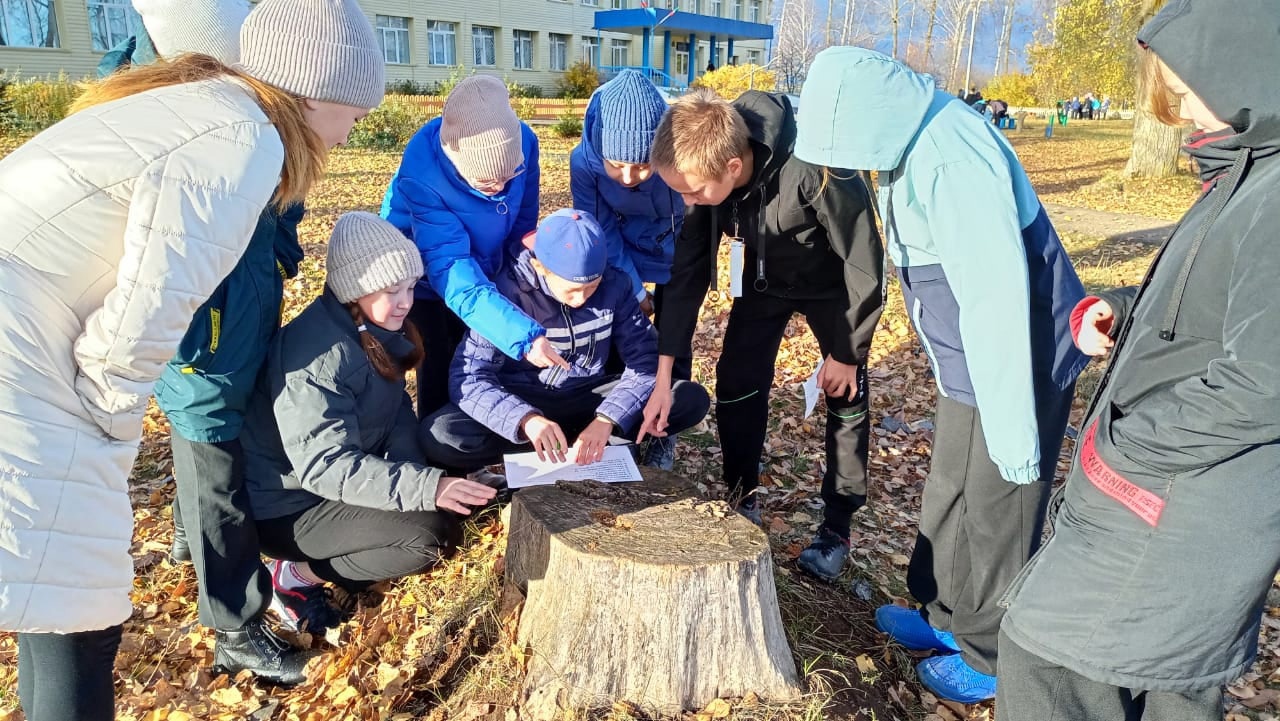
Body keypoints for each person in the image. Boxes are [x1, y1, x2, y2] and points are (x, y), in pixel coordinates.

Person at [0, 0, 386, 714]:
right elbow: (144, 315)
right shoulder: (243, 141)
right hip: (21, 354)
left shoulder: (212, 108)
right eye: (355, 114)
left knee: (56, 598)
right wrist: (105, 431)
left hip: (33, 334)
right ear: (314, 92)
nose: (351, 131)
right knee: (77, 610)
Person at [998, 3, 1280, 719]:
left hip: (1180, 496)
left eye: (1187, 91)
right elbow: (1216, 306)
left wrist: (1127, 446)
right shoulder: (1245, 173)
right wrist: (1123, 310)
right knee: (1165, 686)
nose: (1182, 114)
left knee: (1047, 660)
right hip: (1173, 494)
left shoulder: (1273, 194)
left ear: (1241, 65)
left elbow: (1263, 382)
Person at [794, 47, 1087, 703]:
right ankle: (943, 615)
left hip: (1015, 363)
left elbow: (995, 298)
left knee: (999, 507)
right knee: (951, 488)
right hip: (970, 369)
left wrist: (1015, 435)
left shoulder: (953, 158)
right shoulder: (907, 139)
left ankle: (987, 651)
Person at [101, 0, 317, 690]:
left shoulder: (243, 97)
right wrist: (199, 336)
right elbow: (154, 260)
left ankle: (204, 549)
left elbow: (283, 193)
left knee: (226, 465)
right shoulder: (154, 116)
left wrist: (281, 253)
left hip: (245, 312)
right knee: (215, 480)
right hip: (202, 343)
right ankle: (235, 628)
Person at [642, 88, 884, 581]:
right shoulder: (706, 174)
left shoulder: (817, 166)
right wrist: (663, 376)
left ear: (733, 167)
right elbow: (686, 276)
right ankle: (742, 494)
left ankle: (837, 527)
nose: (687, 202)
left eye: (693, 192)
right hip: (762, 283)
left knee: (846, 392)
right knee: (736, 381)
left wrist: (847, 351)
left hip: (833, 287)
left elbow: (865, 260)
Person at [240, 212, 495, 633]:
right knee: (429, 538)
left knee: (446, 511)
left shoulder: (374, 327)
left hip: (330, 490)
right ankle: (295, 576)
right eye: (392, 290)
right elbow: (324, 466)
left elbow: (396, 415)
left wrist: (421, 478)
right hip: (290, 507)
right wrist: (426, 488)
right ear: (353, 289)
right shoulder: (318, 359)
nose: (407, 302)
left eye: (411, 287)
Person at [422, 209, 711, 472]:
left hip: (590, 397)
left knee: (689, 398)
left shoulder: (616, 284)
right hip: (523, 397)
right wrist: (525, 420)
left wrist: (607, 419)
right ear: (540, 268)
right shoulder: (505, 294)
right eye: (572, 290)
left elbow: (644, 359)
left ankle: (597, 438)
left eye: (592, 287)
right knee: (441, 434)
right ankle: (552, 446)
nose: (582, 298)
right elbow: (469, 379)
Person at [381, 75, 544, 419]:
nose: (499, 187)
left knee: (478, 361)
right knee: (439, 360)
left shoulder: (525, 144)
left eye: (508, 177)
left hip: (481, 263)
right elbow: (450, 267)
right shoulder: (422, 177)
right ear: (458, 164)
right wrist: (523, 336)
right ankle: (439, 446)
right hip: (425, 275)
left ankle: (480, 440)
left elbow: (523, 222)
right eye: (486, 182)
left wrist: (517, 278)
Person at [570, 69, 688, 469]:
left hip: (675, 246)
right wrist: (636, 292)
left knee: (674, 340)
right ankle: (620, 426)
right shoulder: (584, 162)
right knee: (621, 334)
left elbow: (692, 219)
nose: (627, 177)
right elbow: (599, 230)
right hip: (620, 248)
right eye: (616, 164)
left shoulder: (679, 156)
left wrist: (674, 284)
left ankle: (664, 431)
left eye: (641, 166)